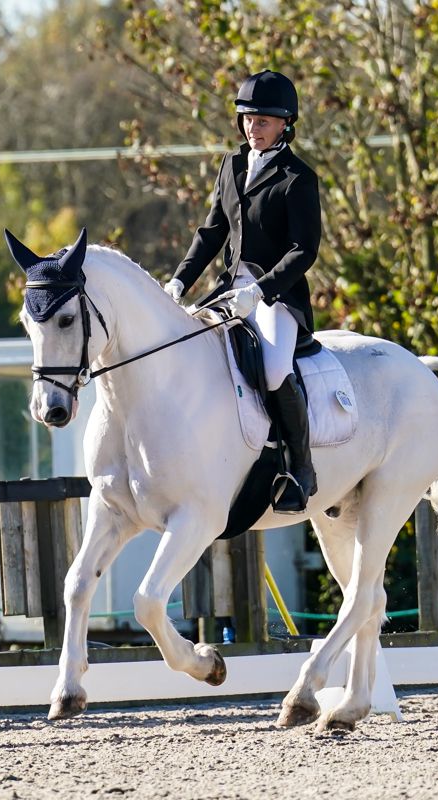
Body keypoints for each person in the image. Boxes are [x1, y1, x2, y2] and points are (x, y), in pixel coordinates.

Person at [164, 69, 321, 514]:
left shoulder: (298, 178)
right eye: (249, 119)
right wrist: (179, 281)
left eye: (264, 121)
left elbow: (303, 250)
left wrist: (263, 291)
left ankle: (300, 469)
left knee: (272, 370)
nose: (254, 128)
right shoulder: (231, 166)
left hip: (277, 296)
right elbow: (212, 231)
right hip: (228, 289)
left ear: (285, 125)